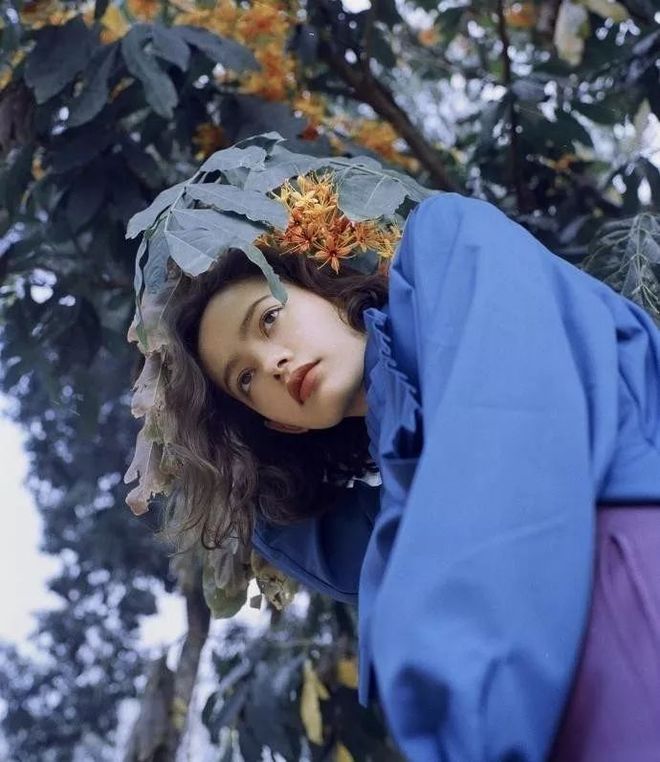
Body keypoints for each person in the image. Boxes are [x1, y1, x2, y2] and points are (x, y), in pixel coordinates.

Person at [160, 191, 660, 761]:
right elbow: (314, 540)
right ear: (282, 423)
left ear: (324, 286)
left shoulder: (443, 242)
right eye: (245, 380)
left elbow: (511, 440)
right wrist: (195, 435)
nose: (270, 363)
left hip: (629, 596)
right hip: (557, 714)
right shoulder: (403, 482)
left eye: (269, 318)